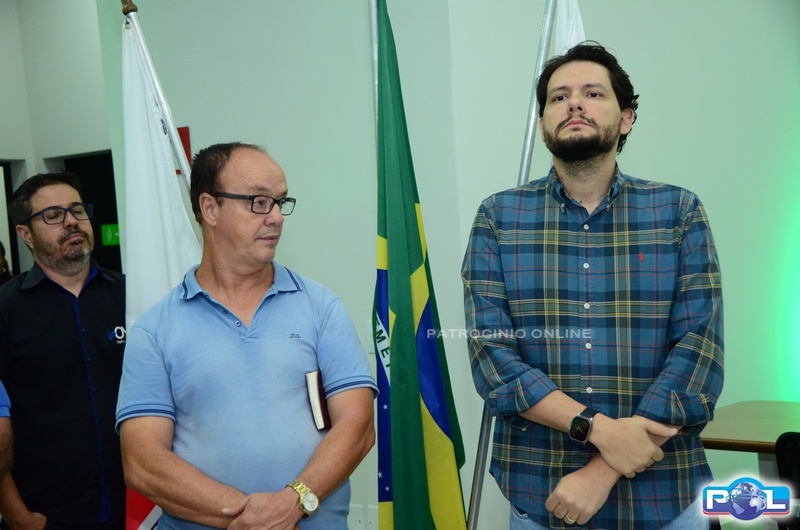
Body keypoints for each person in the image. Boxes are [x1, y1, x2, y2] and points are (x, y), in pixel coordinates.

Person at [462, 42, 723, 529]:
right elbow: (492, 358)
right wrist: (596, 429)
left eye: (593, 93)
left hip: (665, 497)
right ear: (543, 122)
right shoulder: (498, 217)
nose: (574, 104)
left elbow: (698, 356)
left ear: (626, 118)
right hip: (541, 493)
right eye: (559, 97)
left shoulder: (678, 212)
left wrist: (602, 471)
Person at [116, 142, 376, 530]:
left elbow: (358, 426)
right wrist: (252, 518)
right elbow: (142, 462)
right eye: (259, 202)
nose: (276, 217)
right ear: (210, 208)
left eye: (280, 202)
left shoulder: (322, 308)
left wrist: (292, 502)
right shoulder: (155, 330)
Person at [0, 172, 127, 529]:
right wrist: (17, 515)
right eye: (53, 215)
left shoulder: (131, 296)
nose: (71, 221)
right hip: (47, 513)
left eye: (77, 210)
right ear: (25, 233)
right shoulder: (5, 310)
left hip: (139, 506)